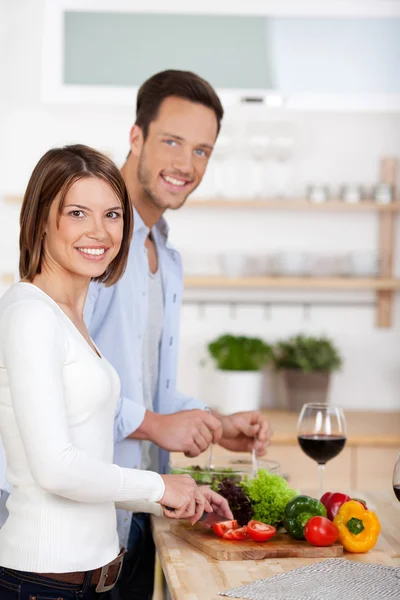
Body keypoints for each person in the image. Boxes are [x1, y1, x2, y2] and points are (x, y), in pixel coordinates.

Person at [0, 144, 231, 600]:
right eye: (78, 213)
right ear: (42, 220)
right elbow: (55, 470)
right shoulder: (29, 314)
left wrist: (174, 495)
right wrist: (158, 484)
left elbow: (89, 465)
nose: (99, 232)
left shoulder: (68, 316)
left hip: (91, 580)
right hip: (44, 585)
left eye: (112, 215)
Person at [85, 70, 273, 600]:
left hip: (143, 509)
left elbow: (147, 386)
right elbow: (55, 382)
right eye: (172, 141)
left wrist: (214, 423)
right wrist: (154, 424)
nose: (187, 165)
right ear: (136, 137)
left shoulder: (164, 254)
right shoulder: (92, 238)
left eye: (202, 151)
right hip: (78, 526)